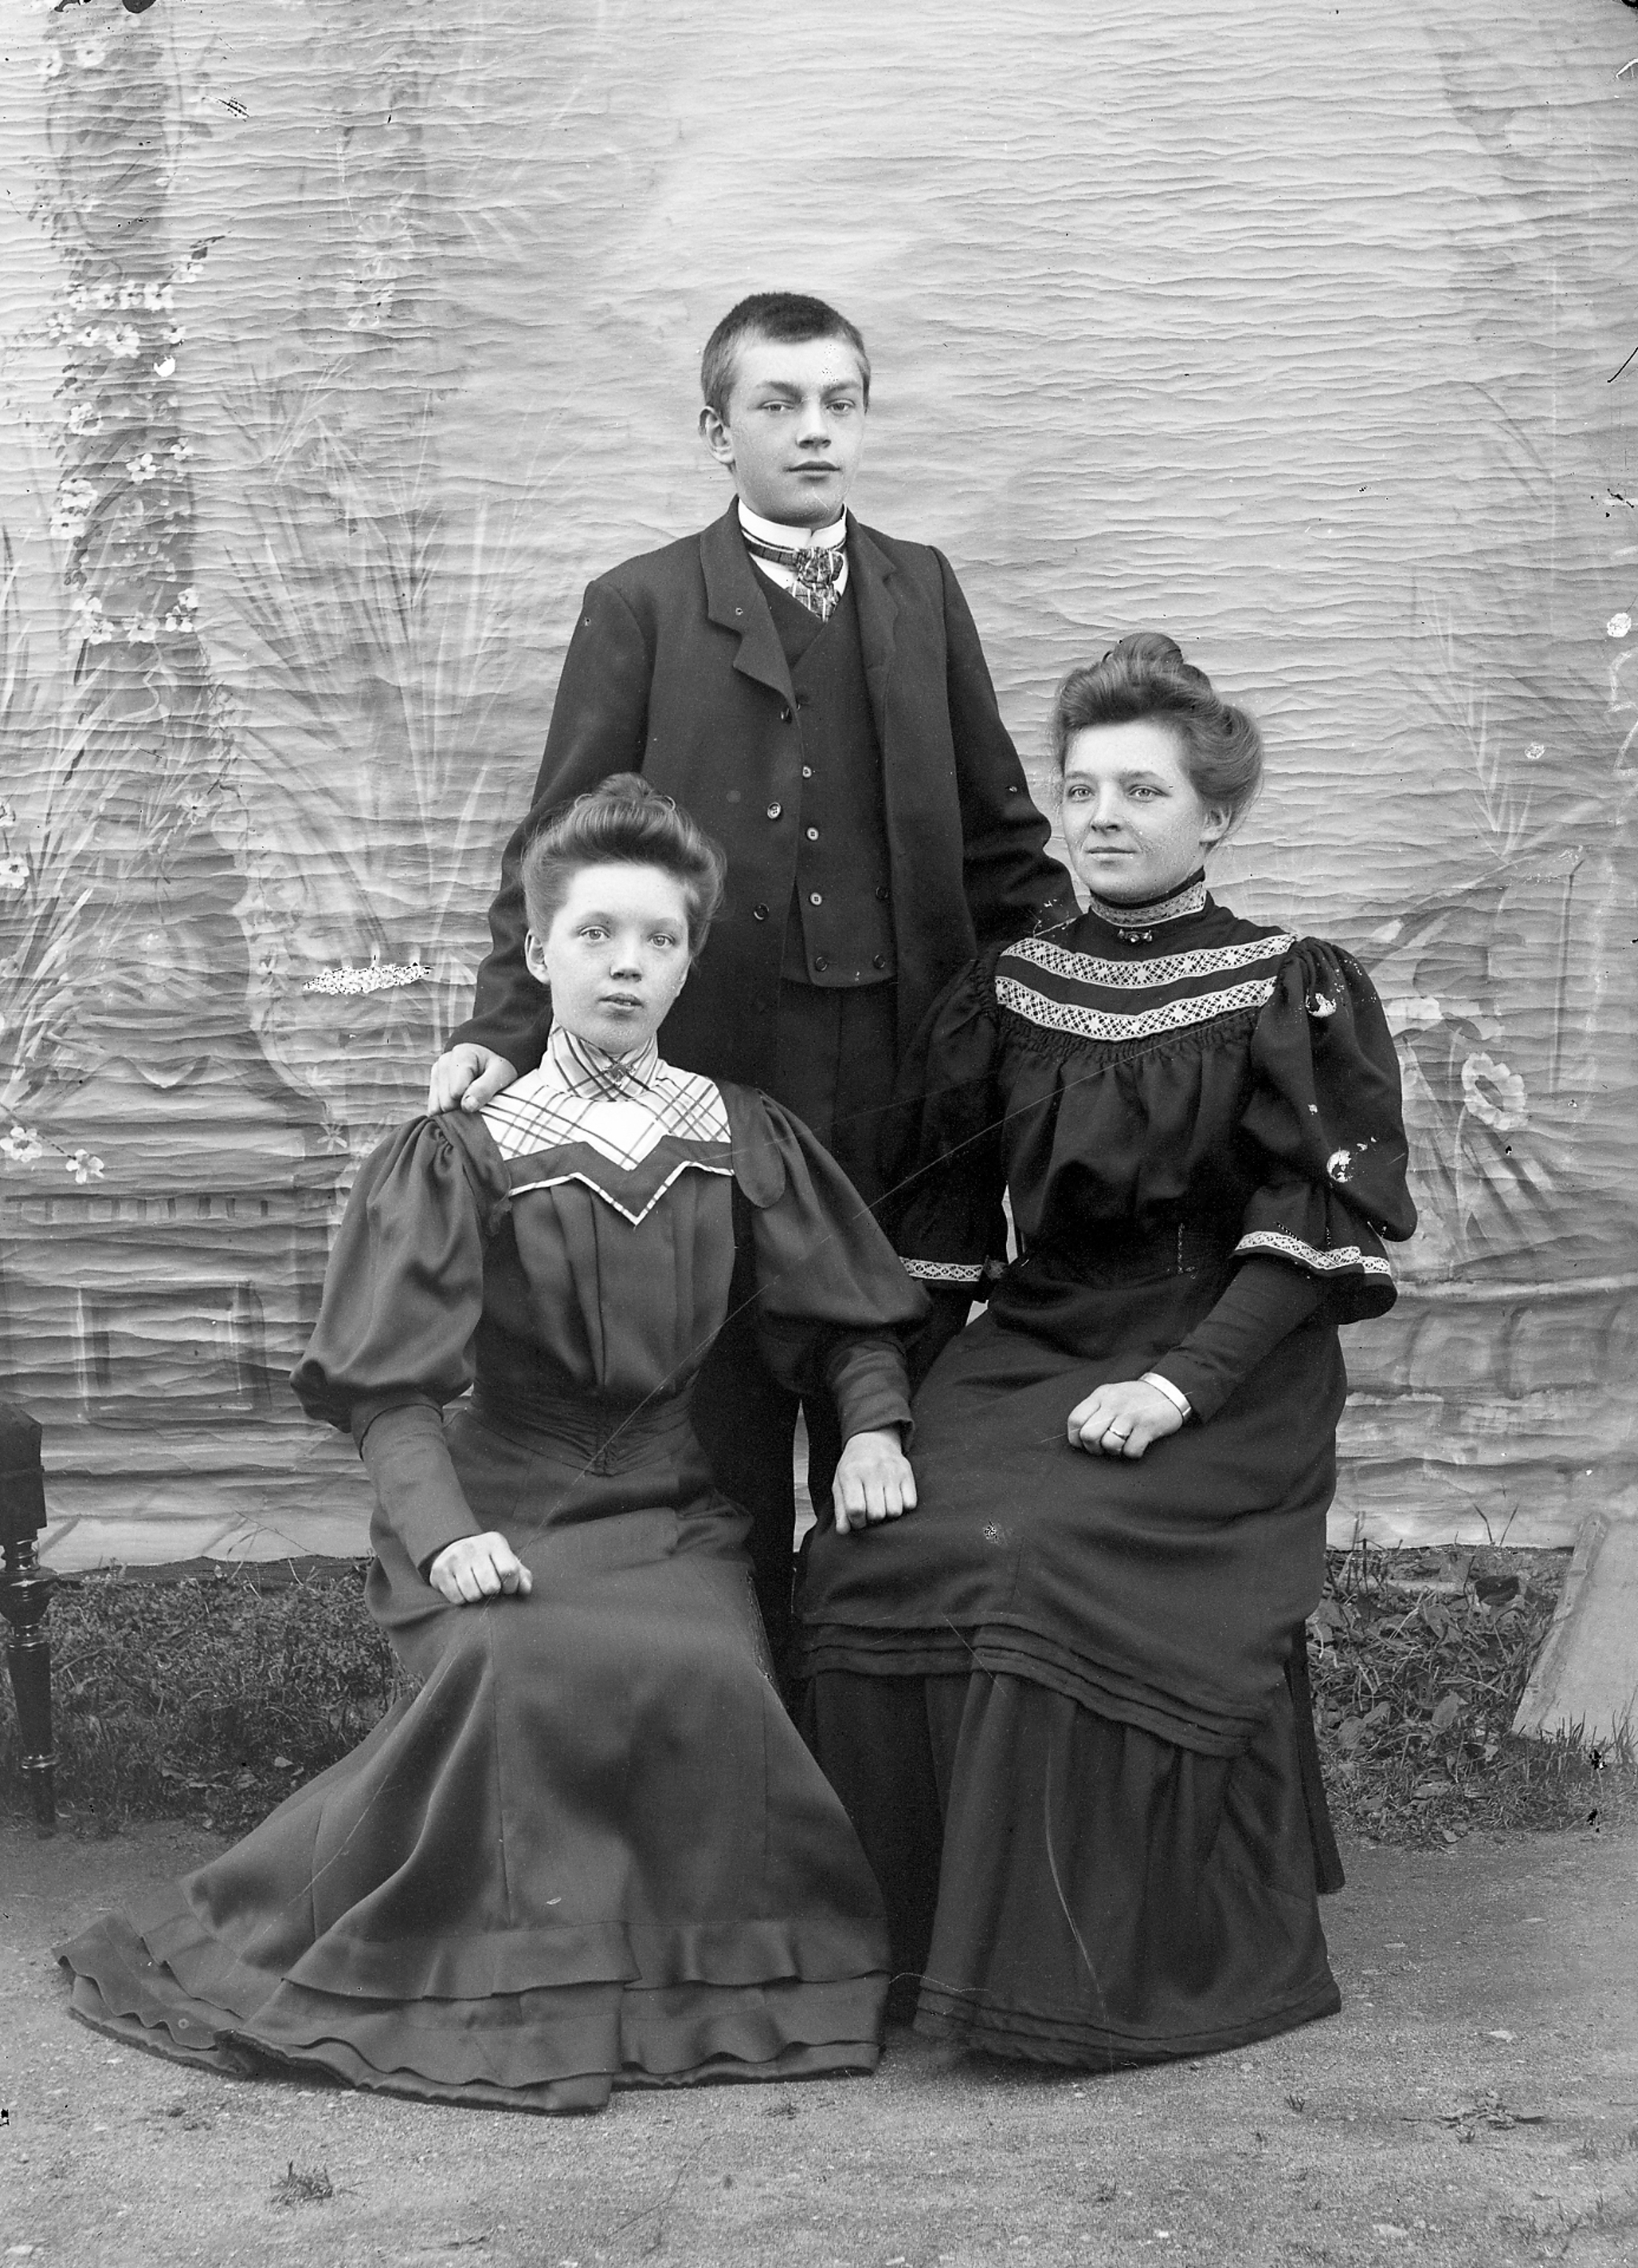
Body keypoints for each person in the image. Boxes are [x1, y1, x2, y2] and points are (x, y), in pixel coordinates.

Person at [57, 778, 926, 2115]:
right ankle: (490, 1986)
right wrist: (446, 1534)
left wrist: (871, 1426)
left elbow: (843, 1315)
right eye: (595, 934)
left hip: (669, 1509)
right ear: (538, 951)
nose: (626, 963)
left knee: (709, 1673)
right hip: (495, 1501)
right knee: (519, 1669)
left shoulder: (737, 1129)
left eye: (658, 938)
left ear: (688, 958)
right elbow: (389, 1391)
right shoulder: (465, 1146)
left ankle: (696, 1993)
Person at [797, 634, 1417, 2069]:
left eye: (1141, 790)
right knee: (868, 1553)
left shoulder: (1287, 982)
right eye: (1079, 790)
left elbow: (1302, 1234)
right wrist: (877, 1417)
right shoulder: (1008, 988)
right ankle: (895, 1959)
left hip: (1222, 1359)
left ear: (1215, 815)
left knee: (1035, 1559)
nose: (1102, 818)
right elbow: (933, 1239)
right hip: (1037, 1337)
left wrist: (1176, 1386)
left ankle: (1067, 1978)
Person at [427, 291, 1074, 1664]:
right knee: (722, 1407)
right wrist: (502, 1023)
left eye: (839, 401)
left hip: (904, 1070)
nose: (813, 430)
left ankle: (868, 1714)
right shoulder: (643, 605)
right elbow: (559, 846)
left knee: (887, 1385)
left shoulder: (920, 588)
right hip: (717, 1069)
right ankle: (738, 1709)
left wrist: (1079, 1003)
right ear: (717, 432)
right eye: (777, 404)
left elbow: (1001, 840)